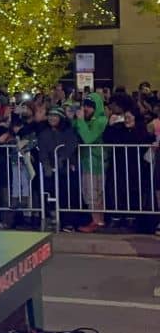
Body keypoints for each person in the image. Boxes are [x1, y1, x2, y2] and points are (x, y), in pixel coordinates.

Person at [74, 93, 108, 232]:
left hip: (96, 162)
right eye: (85, 105)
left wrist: (80, 120)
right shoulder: (90, 120)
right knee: (92, 192)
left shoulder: (100, 121)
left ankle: (96, 221)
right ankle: (98, 221)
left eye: (89, 106)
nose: (86, 109)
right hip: (88, 161)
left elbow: (88, 138)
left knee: (93, 193)